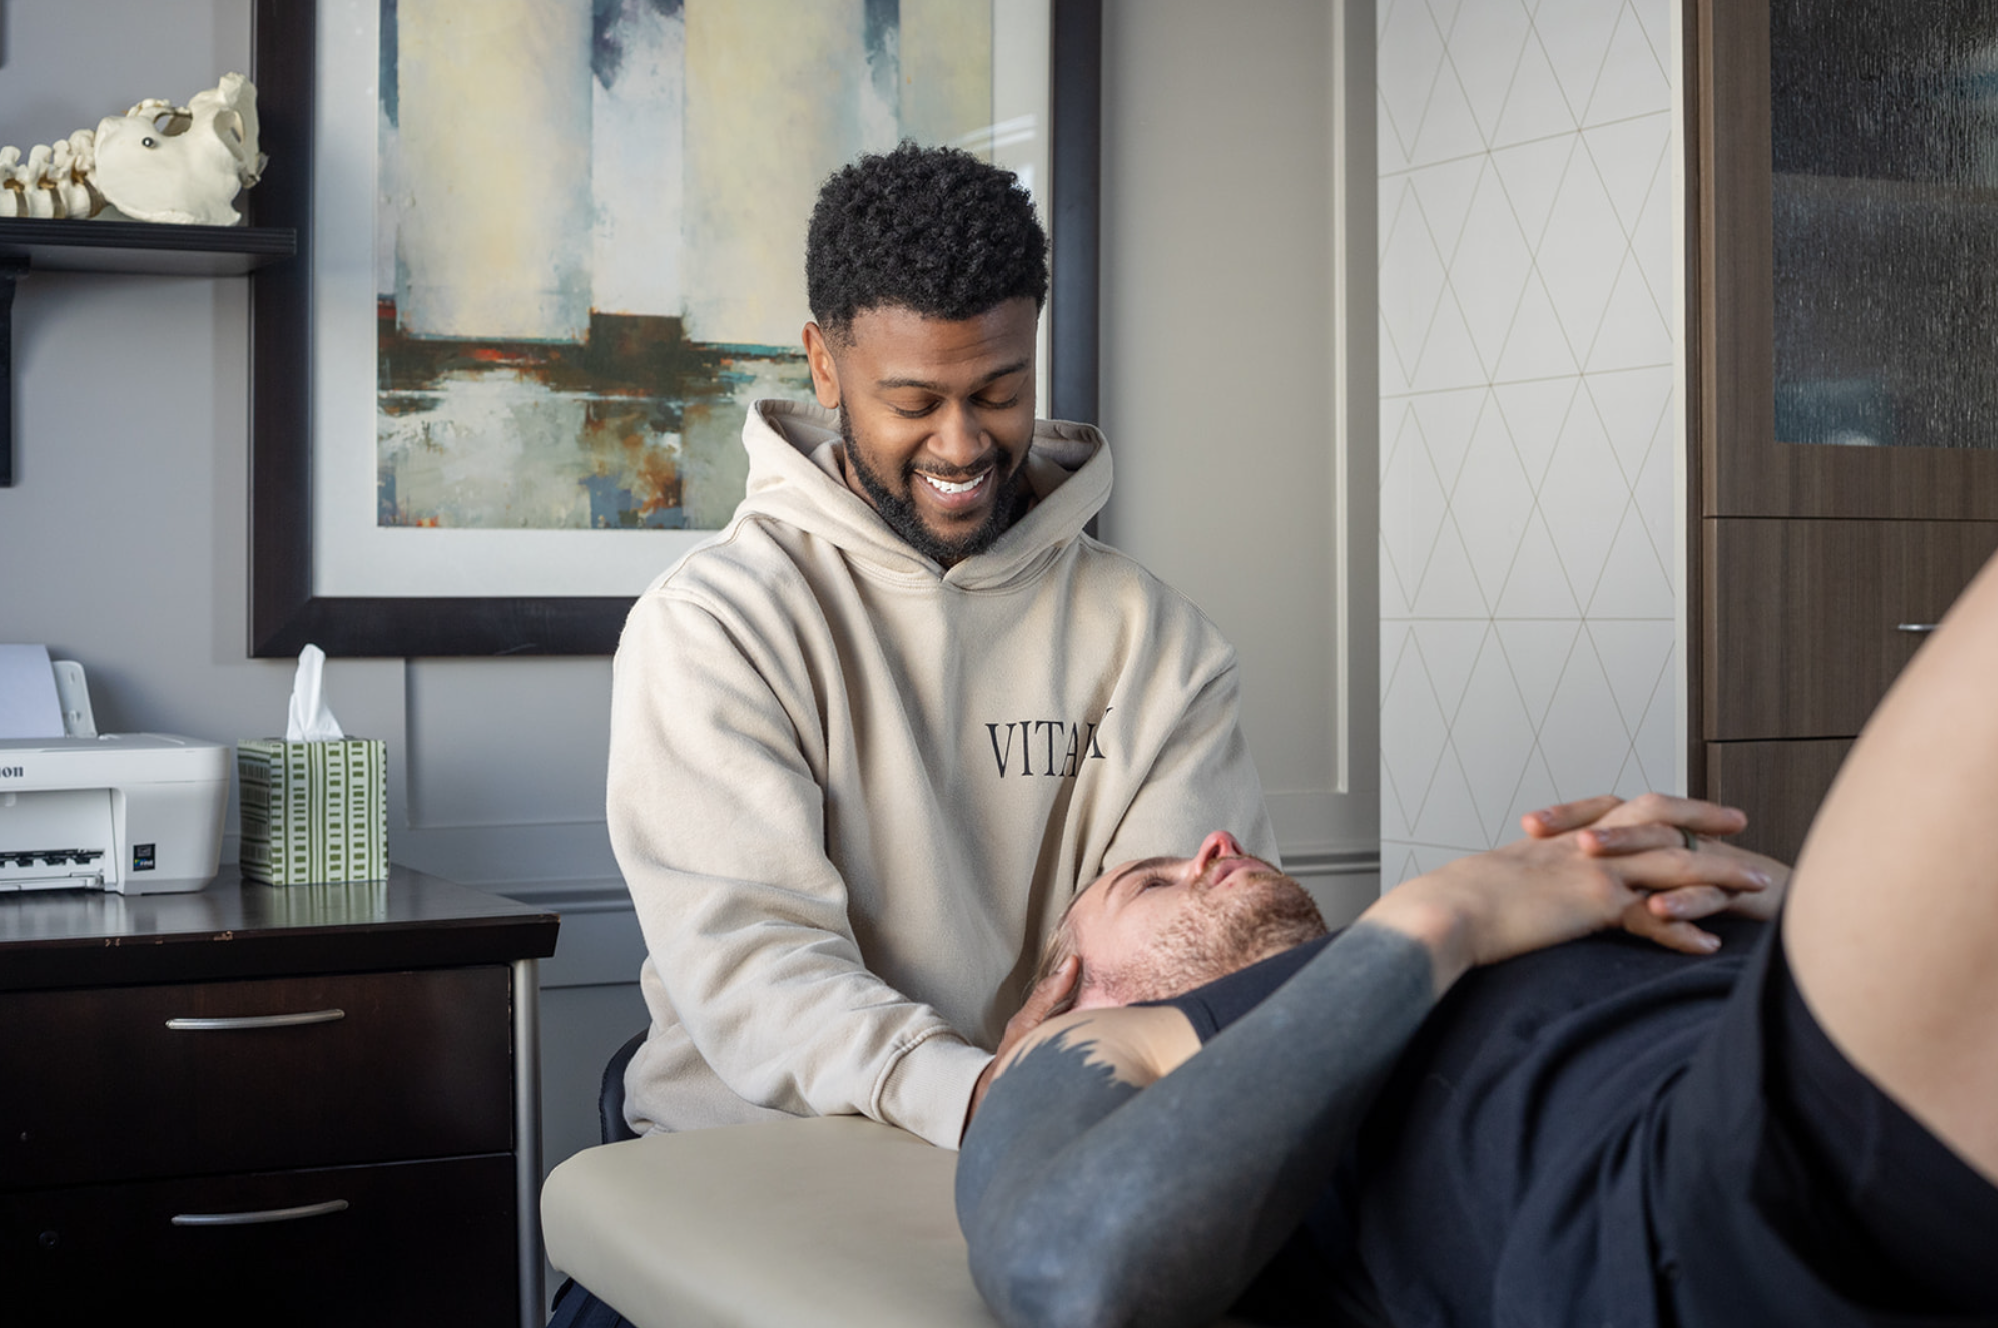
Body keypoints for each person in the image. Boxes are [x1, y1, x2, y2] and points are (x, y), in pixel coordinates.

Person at [958, 552, 1998, 1327]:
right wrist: (1441, 914)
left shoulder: (1477, 933)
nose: (1211, 842)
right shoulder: (1117, 1043)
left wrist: (1769, 899)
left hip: (1810, 1061)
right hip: (1689, 1206)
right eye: (1148, 881)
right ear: (1067, 994)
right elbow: (1071, 1271)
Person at [605, 141, 1276, 1154]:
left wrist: (1039, 1103)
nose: (961, 444)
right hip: (751, 1161)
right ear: (825, 364)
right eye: (913, 403)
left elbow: (1187, 962)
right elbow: (757, 960)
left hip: (1062, 1141)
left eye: (998, 393)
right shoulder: (713, 625)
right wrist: (972, 1093)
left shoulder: (1158, 642)